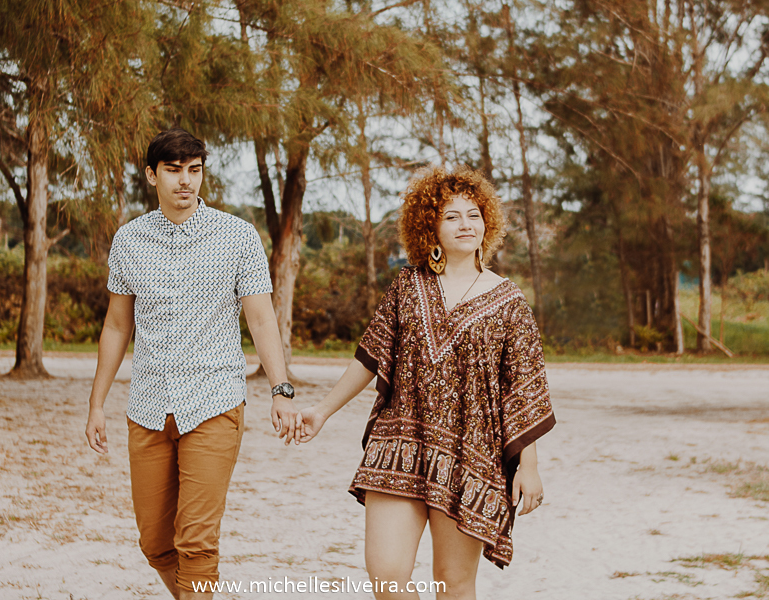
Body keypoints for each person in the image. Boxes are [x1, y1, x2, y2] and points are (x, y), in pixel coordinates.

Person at [297, 165, 556, 599]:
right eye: (451, 216)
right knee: (387, 580)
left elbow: (524, 389)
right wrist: (322, 411)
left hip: (468, 457)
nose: (464, 224)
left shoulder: (510, 302)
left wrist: (528, 467)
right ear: (430, 226)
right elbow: (371, 355)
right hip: (398, 443)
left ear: (486, 222)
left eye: (473, 214)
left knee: (453, 585)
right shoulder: (407, 285)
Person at [85, 127, 297, 600]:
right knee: (156, 543)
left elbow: (261, 320)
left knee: (196, 542)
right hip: (148, 407)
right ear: (151, 175)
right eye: (174, 170)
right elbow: (117, 327)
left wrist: (280, 391)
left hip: (215, 401)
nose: (186, 181)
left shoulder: (238, 236)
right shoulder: (129, 241)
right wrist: (97, 403)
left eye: (195, 170)